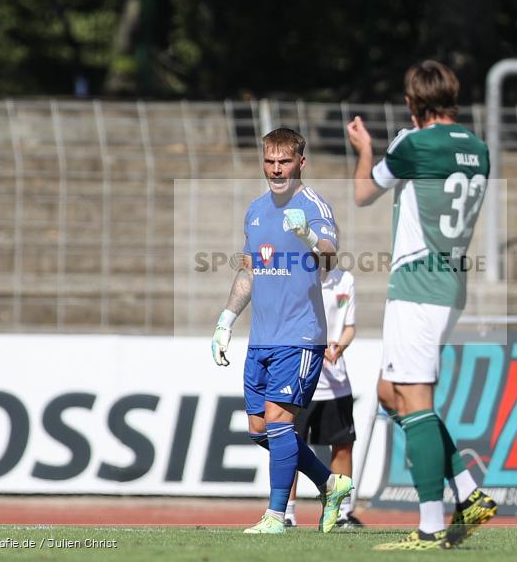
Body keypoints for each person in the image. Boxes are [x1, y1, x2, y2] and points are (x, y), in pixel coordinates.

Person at [346, 60, 497, 550]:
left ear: (413, 103)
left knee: (415, 399)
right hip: (450, 282)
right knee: (391, 394)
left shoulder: (413, 144)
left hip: (417, 284)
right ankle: (469, 493)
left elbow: (364, 193)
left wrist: (365, 150)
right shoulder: (479, 149)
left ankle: (431, 524)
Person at [211, 127, 353, 534]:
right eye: (270, 161)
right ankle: (330, 483)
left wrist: (308, 236)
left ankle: (276, 516)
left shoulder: (314, 206)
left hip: (300, 335)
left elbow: (330, 257)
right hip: (262, 338)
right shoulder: (255, 210)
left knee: (278, 420)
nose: (276, 169)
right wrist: (226, 320)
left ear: (300, 163)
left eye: (284, 162)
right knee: (259, 430)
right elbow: (248, 271)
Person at [285, 265, 363, 529]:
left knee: (342, 445)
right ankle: (286, 512)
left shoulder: (345, 280)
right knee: (289, 446)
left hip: (336, 382)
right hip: (299, 378)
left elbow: (349, 327)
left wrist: (339, 347)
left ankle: (342, 512)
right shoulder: (295, 277)